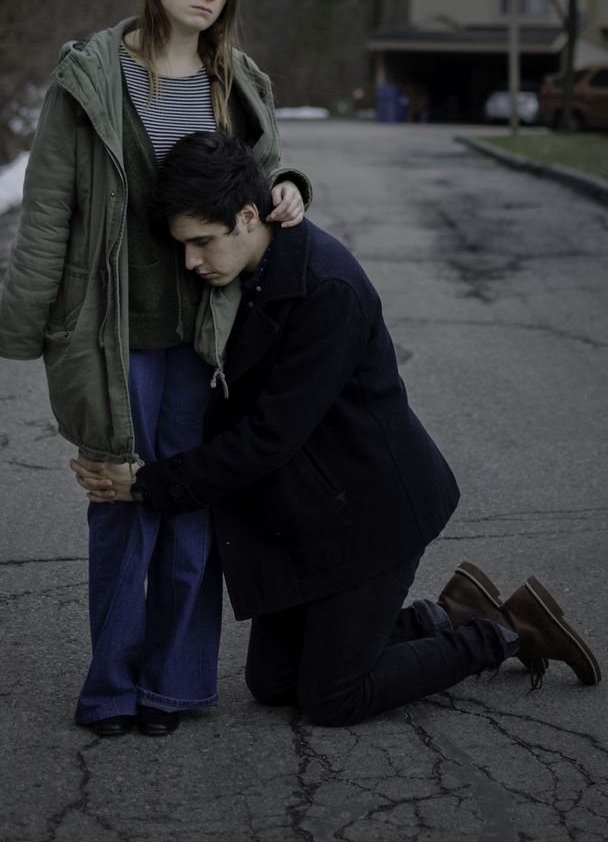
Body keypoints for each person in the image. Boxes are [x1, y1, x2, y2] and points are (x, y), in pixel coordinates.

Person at [72, 131, 601, 727]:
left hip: (371, 516)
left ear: (249, 217)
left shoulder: (327, 289)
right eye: (183, 247)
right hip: (310, 519)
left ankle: (501, 631)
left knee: (331, 697)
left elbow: (269, 437)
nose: (191, 261)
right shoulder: (241, 273)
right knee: (273, 684)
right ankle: (446, 613)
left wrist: (146, 484)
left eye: (202, 243)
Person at [0, 0, 312, 737]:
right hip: (114, 331)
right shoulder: (91, 78)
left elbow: (265, 170)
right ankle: (110, 687)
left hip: (209, 333)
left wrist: (290, 188)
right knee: (117, 503)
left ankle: (173, 685)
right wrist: (30, 325)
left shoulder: (236, 81)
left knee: (190, 503)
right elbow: (48, 209)